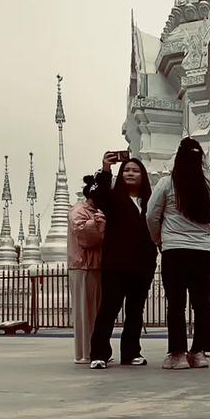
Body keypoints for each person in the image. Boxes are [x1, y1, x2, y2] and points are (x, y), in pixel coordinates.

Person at [147, 137, 210, 369]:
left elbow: (151, 215)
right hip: (200, 251)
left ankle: (178, 354)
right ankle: (199, 352)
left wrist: (158, 239)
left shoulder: (167, 183)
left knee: (176, 304)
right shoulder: (207, 186)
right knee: (201, 304)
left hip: (174, 250)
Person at [88, 157, 157, 369]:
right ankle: (99, 354)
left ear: (142, 175)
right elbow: (95, 195)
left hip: (142, 264)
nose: (130, 173)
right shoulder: (113, 198)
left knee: (135, 311)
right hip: (116, 264)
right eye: (126, 170)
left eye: (135, 170)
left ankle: (131, 352)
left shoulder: (150, 200)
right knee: (109, 309)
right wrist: (106, 169)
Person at [67, 161, 110, 363]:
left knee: (98, 313)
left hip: (97, 267)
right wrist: (98, 224)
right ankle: (85, 352)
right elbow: (83, 235)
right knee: (85, 314)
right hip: (82, 267)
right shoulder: (79, 210)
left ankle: (99, 350)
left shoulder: (97, 210)